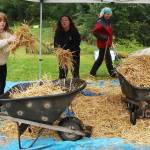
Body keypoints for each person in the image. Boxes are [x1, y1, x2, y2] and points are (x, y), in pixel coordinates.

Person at [90, 7, 116, 78]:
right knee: (108, 58)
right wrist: (104, 37)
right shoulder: (100, 21)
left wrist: (111, 37)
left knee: (101, 58)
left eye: (109, 14)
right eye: (107, 14)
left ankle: (92, 73)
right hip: (103, 43)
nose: (108, 15)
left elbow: (108, 31)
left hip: (107, 43)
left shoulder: (107, 21)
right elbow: (95, 32)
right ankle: (112, 73)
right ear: (103, 14)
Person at [0, 12, 16, 95]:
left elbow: (14, 41)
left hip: (2, 66)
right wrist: (8, 41)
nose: (2, 23)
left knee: (2, 85)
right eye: (0, 21)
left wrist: (19, 38)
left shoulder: (7, 34)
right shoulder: (7, 38)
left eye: (4, 21)